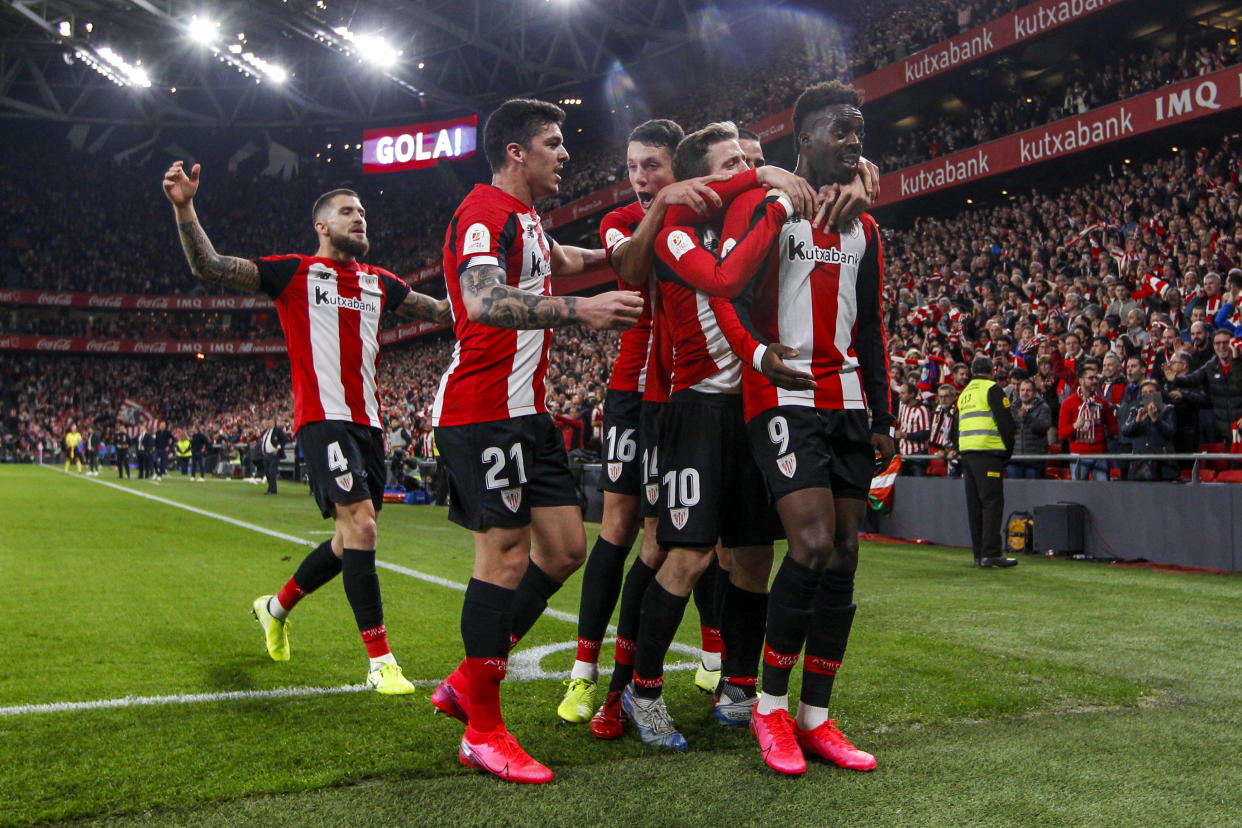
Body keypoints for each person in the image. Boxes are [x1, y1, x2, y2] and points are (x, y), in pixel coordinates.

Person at [163, 158, 451, 695]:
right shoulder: (293, 272)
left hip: (369, 426)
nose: (360, 218)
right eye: (348, 212)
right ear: (322, 225)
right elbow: (211, 265)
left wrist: (492, 289)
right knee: (363, 526)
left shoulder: (380, 282)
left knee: (349, 540)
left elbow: (440, 311)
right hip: (322, 420)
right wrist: (185, 207)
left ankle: (274, 608)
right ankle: (381, 661)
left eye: (363, 211)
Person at [674, 83, 890, 776]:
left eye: (859, 130)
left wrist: (882, 415)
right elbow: (727, 290)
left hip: (848, 398)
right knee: (813, 542)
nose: (853, 141)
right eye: (839, 129)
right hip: (782, 396)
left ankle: (816, 716)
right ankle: (769, 705)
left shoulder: (866, 224)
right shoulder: (771, 209)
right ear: (803, 138)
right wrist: (759, 355)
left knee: (848, 553)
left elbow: (873, 325)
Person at [427, 99, 643, 784]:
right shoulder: (482, 212)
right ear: (516, 153)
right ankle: (483, 732)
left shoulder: (526, 221)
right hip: (482, 412)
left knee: (565, 549)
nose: (565, 154)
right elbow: (486, 299)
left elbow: (570, 257)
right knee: (505, 556)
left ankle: (467, 682)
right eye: (553, 143)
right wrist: (583, 310)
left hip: (530, 414)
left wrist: (640, 242)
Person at [561, 118, 731, 726]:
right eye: (632, 167)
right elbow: (631, 271)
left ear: (679, 167)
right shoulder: (622, 222)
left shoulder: (709, 215)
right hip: (638, 390)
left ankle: (711, 659)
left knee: (696, 535)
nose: (638, 178)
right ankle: (587, 674)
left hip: (692, 388)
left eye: (651, 166)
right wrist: (660, 203)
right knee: (622, 527)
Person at [951, 355, 1017, 568]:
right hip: (988, 452)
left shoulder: (965, 394)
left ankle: (979, 554)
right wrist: (1007, 452)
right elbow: (1006, 423)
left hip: (968, 454)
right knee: (992, 503)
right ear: (991, 371)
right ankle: (992, 553)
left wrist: (961, 450)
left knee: (975, 505)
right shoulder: (992, 389)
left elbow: (954, 429)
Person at [1058, 358, 1118, 480]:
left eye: (1096, 378)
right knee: (1079, 493)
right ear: (1081, 381)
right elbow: (1062, 433)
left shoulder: (1102, 403)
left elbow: (1114, 428)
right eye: (1091, 378)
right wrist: (1075, 426)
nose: (1095, 381)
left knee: (1103, 491)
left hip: (1100, 455)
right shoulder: (1068, 403)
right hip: (1079, 455)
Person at [1121, 379, 1178, 481]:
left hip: (1162, 463)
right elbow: (1125, 431)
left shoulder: (1168, 409)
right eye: (1144, 393)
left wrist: (1155, 419)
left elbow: (1170, 432)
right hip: (1140, 463)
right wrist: (1137, 421)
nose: (1148, 395)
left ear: (1158, 393)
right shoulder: (1136, 410)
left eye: (1151, 392)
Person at [1007, 378, 1051, 479]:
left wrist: (1027, 418)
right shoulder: (1013, 408)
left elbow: (1043, 427)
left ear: (1034, 392)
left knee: (1034, 493)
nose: (1025, 393)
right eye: (1022, 390)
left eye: (1028, 390)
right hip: (1015, 460)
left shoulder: (1043, 408)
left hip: (1034, 461)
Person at [895, 381, 930, 475]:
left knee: (917, 483)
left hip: (917, 454)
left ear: (912, 394)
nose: (900, 396)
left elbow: (926, 433)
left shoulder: (921, 410)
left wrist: (906, 435)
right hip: (903, 453)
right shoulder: (902, 407)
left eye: (903, 393)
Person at [261, 421, 288, 494]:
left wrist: (278, 448)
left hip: (273, 454)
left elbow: (285, 439)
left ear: (273, 423)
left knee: (272, 471)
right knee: (267, 472)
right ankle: (271, 488)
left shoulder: (277, 431)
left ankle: (272, 489)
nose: (267, 424)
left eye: (269, 423)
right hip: (266, 455)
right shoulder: (265, 432)